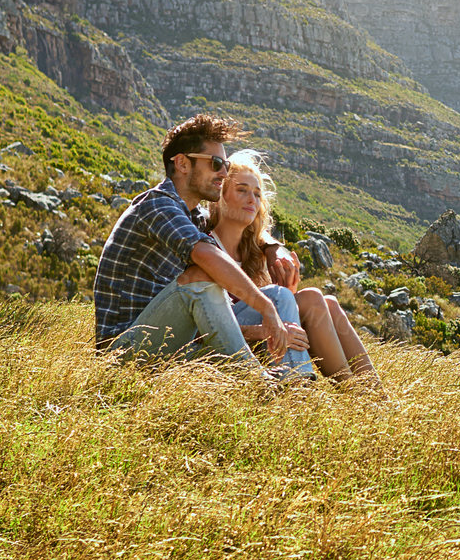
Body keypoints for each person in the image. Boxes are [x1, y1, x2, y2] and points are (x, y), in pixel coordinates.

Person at [94, 114, 305, 378]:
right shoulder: (158, 205)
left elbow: (239, 223)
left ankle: (296, 382)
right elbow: (206, 256)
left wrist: (272, 246)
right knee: (201, 277)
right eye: (216, 163)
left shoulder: (193, 216)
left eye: (225, 164)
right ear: (182, 163)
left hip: (174, 343)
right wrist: (265, 310)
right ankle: (257, 381)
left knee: (280, 295)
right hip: (122, 354)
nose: (224, 173)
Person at [185, 149, 380, 384]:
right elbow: (199, 326)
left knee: (326, 301)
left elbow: (276, 306)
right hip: (219, 346)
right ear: (221, 195)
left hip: (258, 343)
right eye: (241, 190)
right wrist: (265, 329)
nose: (252, 200)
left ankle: (374, 396)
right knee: (297, 297)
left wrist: (288, 295)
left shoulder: (255, 253)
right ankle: (325, 389)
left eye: (257, 194)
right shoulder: (205, 245)